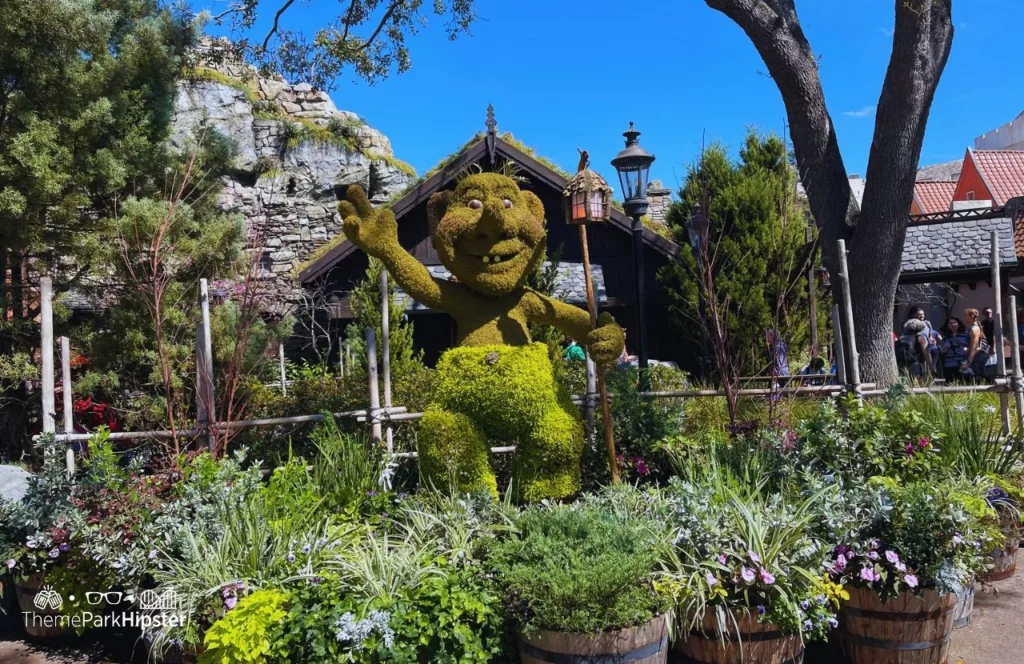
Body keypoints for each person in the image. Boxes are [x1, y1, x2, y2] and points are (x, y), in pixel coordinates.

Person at [963, 308, 991, 381]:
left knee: (974, 377)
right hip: (975, 356)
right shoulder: (971, 328)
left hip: (978, 357)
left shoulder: (974, 329)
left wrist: (968, 362)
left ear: (971, 316)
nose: (964, 317)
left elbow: (974, 347)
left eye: (965, 315)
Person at [939, 317, 968, 382]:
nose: (953, 325)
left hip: (962, 362)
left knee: (963, 382)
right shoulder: (946, 337)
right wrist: (944, 348)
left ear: (958, 324)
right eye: (950, 323)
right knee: (950, 382)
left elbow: (970, 346)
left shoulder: (965, 335)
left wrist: (961, 344)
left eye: (954, 322)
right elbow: (942, 351)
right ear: (948, 326)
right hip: (949, 363)